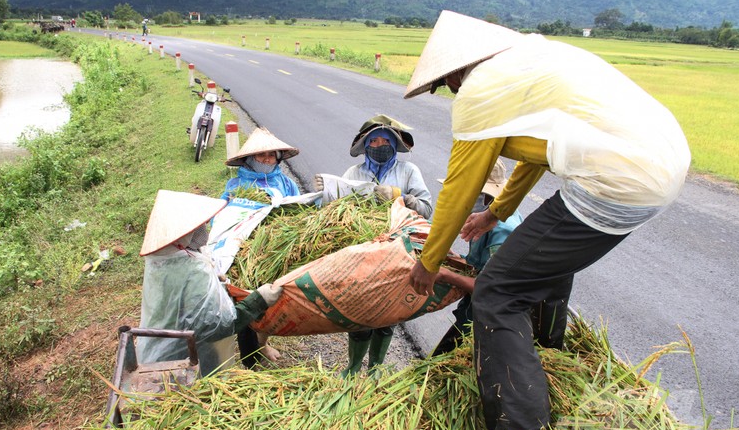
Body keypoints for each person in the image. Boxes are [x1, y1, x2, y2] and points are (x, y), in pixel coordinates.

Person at [406, 11, 690, 430]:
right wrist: (496, 213)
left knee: (497, 292)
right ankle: (545, 352)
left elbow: (460, 187)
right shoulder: (532, 61)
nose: (450, 92)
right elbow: (534, 155)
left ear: (458, 70)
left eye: (447, 84)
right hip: (659, 169)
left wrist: (427, 263)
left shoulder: (481, 90)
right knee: (543, 262)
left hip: (615, 180)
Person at [316, 114, 433, 377]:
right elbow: (335, 207)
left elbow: (427, 210)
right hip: (361, 255)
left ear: (394, 144)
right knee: (359, 312)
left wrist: (401, 197)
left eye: (385, 140)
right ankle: (353, 366)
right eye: (374, 140)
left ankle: (376, 368)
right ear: (365, 145)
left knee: (388, 314)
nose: (379, 145)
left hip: (397, 254)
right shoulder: (354, 173)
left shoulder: (408, 172)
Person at [136, 189, 281, 377]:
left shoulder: (162, 260)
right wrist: (259, 300)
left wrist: (216, 283)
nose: (204, 231)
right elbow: (219, 326)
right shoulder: (193, 270)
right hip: (183, 365)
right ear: (184, 233)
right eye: (198, 228)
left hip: (153, 353)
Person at [221, 127, 301, 368]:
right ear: (248, 159)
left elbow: (300, 211)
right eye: (260, 155)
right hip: (244, 253)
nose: (267, 160)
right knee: (246, 299)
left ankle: (263, 343)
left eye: (271, 155)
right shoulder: (235, 186)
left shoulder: (285, 183)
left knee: (272, 302)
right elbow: (223, 218)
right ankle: (249, 360)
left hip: (277, 250)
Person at [429, 159, 524, 357]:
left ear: (487, 198)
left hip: (490, 321)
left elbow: (491, 288)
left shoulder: (503, 232)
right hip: (473, 311)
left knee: (443, 365)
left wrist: (447, 275)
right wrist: (457, 261)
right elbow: (479, 264)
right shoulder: (483, 220)